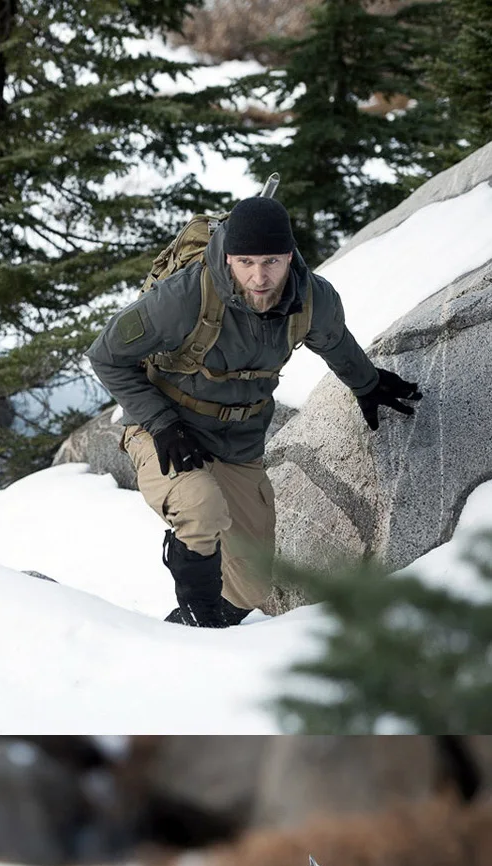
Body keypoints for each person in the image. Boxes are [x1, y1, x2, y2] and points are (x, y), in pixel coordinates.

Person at [88, 195, 421, 626]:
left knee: (252, 585)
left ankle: (207, 618)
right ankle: (195, 627)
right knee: (200, 508)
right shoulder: (185, 297)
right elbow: (105, 355)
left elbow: (335, 342)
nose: (259, 276)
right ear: (228, 257)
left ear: (289, 257)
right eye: (245, 261)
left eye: (271, 262)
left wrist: (368, 385)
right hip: (165, 431)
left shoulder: (313, 299)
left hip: (237, 442)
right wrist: (161, 422)